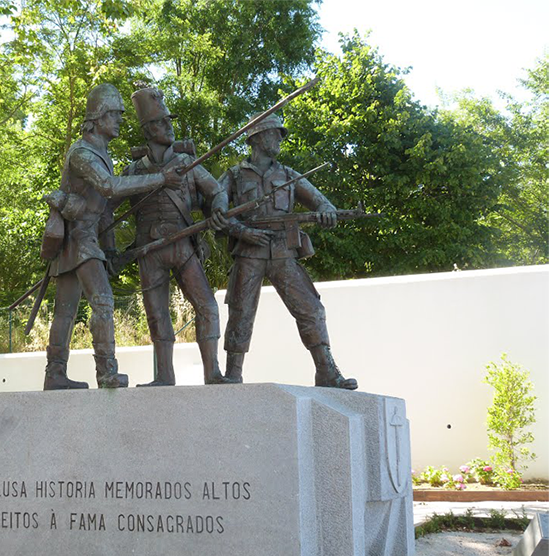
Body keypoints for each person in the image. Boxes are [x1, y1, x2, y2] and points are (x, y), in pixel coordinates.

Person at [43, 84, 182, 390]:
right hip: (78, 240)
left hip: (86, 238)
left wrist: (113, 251)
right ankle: (106, 371)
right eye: (116, 115)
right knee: (102, 301)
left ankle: (55, 374)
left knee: (65, 311)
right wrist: (161, 179)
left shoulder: (100, 153)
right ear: (99, 116)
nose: (120, 120)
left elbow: (104, 211)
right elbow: (109, 188)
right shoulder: (82, 153)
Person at [216, 113, 358, 389]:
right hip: (248, 252)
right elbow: (218, 214)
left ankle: (326, 371)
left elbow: (322, 203)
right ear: (256, 138)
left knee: (311, 309)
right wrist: (243, 232)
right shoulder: (233, 175)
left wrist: (327, 212)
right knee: (241, 311)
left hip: (283, 252)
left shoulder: (290, 176)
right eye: (274, 133)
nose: (280, 138)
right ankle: (233, 374)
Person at [122, 86, 231, 386]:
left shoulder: (187, 164)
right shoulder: (132, 173)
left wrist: (218, 209)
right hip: (149, 250)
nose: (169, 126)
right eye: (161, 122)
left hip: (183, 245)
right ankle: (164, 376)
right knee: (157, 315)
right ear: (147, 130)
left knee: (207, 306)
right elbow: (108, 209)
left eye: (169, 121)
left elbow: (217, 192)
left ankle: (213, 373)